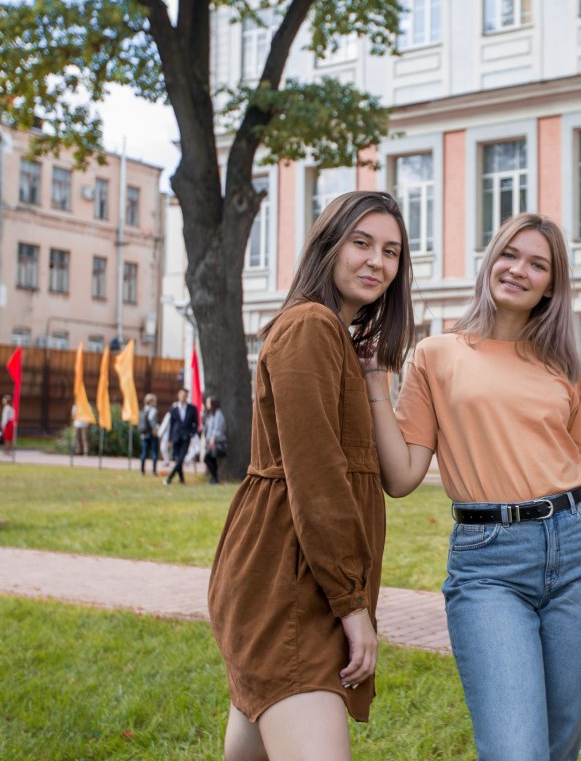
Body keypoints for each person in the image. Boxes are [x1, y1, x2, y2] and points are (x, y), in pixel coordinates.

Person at [367, 212, 581, 761]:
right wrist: (375, 383)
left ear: (552, 285)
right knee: (515, 751)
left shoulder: (562, 363)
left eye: (538, 264)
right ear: (490, 260)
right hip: (488, 566)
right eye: (510, 254)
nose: (519, 270)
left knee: (558, 745)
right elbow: (402, 476)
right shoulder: (437, 354)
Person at [208, 190, 414, 761]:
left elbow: (387, 476)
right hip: (291, 584)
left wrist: (374, 381)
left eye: (392, 252)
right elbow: (317, 478)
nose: (377, 261)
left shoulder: (336, 339)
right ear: (329, 245)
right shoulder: (310, 327)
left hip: (293, 579)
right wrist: (353, 608)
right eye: (362, 243)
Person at [164, 387, 199, 486]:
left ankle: (169, 477)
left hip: (186, 437)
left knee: (181, 458)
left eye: (185, 395)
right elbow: (171, 425)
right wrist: (170, 439)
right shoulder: (173, 409)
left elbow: (196, 424)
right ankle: (182, 479)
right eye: (181, 395)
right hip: (176, 436)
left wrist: (192, 433)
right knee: (176, 458)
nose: (183, 397)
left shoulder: (192, 409)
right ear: (178, 396)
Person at [203, 396, 228, 485]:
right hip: (210, 441)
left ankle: (215, 478)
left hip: (216, 442)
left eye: (208, 402)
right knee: (211, 459)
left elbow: (218, 428)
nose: (206, 404)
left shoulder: (218, 414)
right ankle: (215, 478)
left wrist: (213, 438)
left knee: (207, 458)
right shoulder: (210, 414)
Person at [138, 394, 160, 476]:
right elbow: (151, 420)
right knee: (154, 452)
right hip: (152, 433)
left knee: (144, 452)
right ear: (151, 402)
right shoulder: (153, 410)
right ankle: (154, 471)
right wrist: (155, 429)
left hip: (144, 434)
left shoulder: (143, 410)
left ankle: (142, 471)